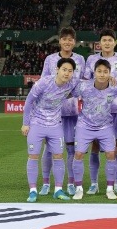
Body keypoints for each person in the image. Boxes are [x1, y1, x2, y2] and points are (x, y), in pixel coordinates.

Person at [21, 57, 78, 203]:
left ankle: (58, 190)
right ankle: (33, 191)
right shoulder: (44, 82)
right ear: (57, 70)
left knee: (58, 156)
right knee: (33, 156)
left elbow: (90, 86)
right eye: (64, 69)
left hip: (55, 125)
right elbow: (29, 101)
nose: (67, 73)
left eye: (70, 71)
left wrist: (109, 79)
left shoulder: (72, 83)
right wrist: (25, 123)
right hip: (37, 123)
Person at [39, 27, 86, 197]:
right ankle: (46, 183)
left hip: (73, 111)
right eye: (64, 39)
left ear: (74, 42)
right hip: (53, 111)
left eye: (70, 39)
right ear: (59, 41)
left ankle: (71, 183)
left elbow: (83, 82)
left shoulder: (80, 59)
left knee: (72, 148)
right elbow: (44, 81)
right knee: (49, 148)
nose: (67, 42)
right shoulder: (50, 59)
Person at [84, 28, 117, 195]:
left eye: (110, 40)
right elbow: (86, 81)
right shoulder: (91, 59)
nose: (107, 43)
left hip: (116, 108)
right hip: (97, 108)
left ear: (115, 42)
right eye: (104, 40)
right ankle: (94, 183)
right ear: (99, 43)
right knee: (95, 144)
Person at [71, 59, 117, 200]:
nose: (102, 74)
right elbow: (71, 91)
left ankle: (110, 189)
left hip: (105, 126)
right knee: (79, 154)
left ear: (110, 73)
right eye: (99, 71)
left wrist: (114, 81)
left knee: (111, 154)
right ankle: (79, 188)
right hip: (85, 125)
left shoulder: (115, 87)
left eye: (105, 72)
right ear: (94, 72)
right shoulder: (83, 86)